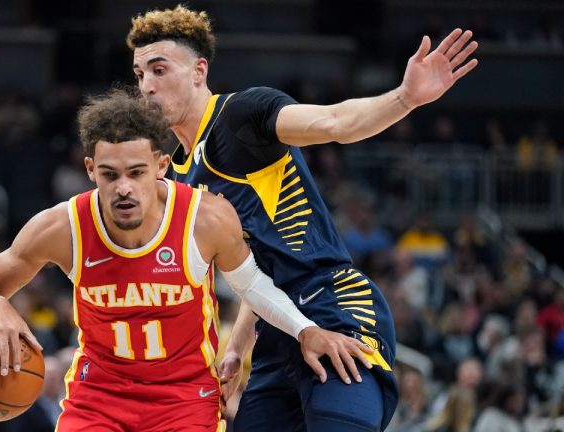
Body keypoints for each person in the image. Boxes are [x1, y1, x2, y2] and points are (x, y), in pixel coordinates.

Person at [126, 5, 478, 431]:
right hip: (279, 335)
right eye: (140, 73)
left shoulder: (242, 116)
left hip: (334, 305)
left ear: (199, 70)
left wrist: (404, 96)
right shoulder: (181, 173)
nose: (146, 85)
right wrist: (237, 346)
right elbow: (252, 267)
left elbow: (335, 121)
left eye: (159, 70)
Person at [0, 89, 372, 431]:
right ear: (90, 169)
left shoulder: (204, 217)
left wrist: (305, 330)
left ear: (160, 166)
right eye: (109, 175)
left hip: (184, 397)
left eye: (136, 173)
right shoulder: (62, 227)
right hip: (100, 395)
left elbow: (253, 286)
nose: (123, 188)